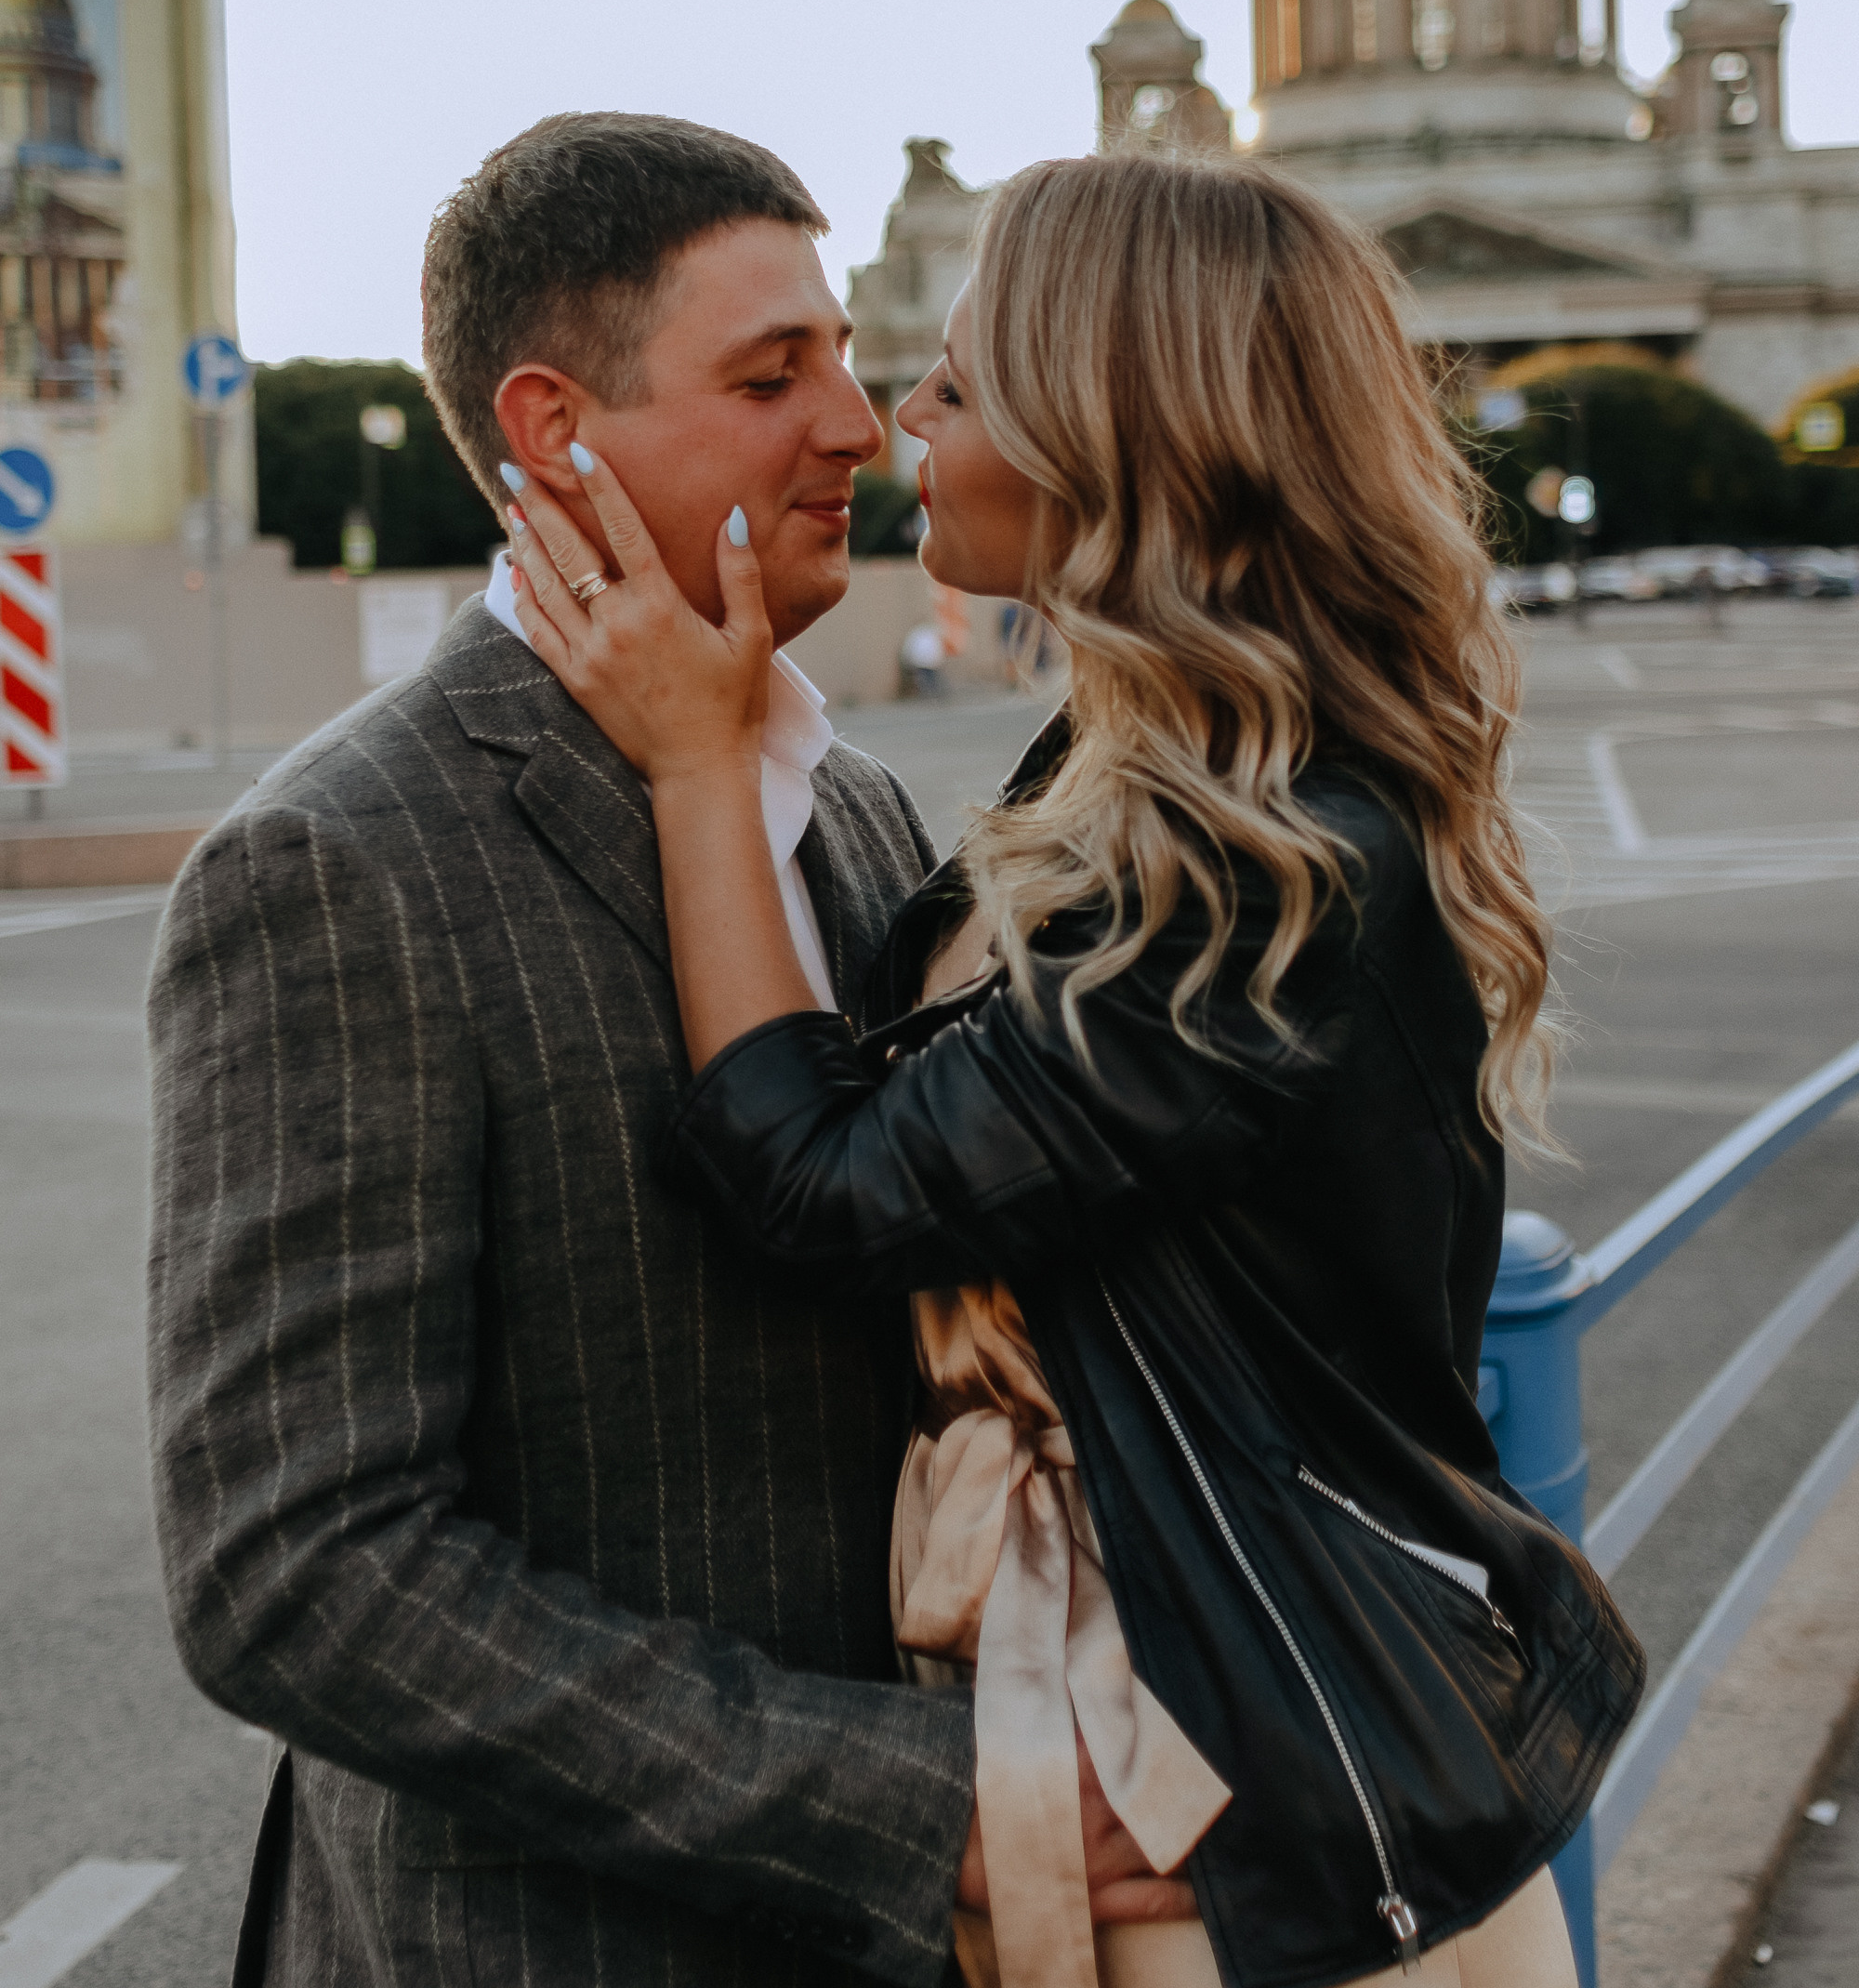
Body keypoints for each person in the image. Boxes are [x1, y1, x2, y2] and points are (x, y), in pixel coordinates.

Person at [504, 150, 1645, 1988]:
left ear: (1108, 431)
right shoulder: (1151, 798)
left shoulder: (1259, 872)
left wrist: (701, 770)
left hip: (1233, 1845)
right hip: (1163, 1773)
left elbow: (828, 1187)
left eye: (952, 380)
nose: (894, 426)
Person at [146, 112, 1170, 1988]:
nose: (857, 428)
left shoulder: (855, 813)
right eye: (772, 374)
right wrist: (911, 1802)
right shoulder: (339, 864)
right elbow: (295, 1567)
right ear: (553, 429)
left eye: (848, 364)